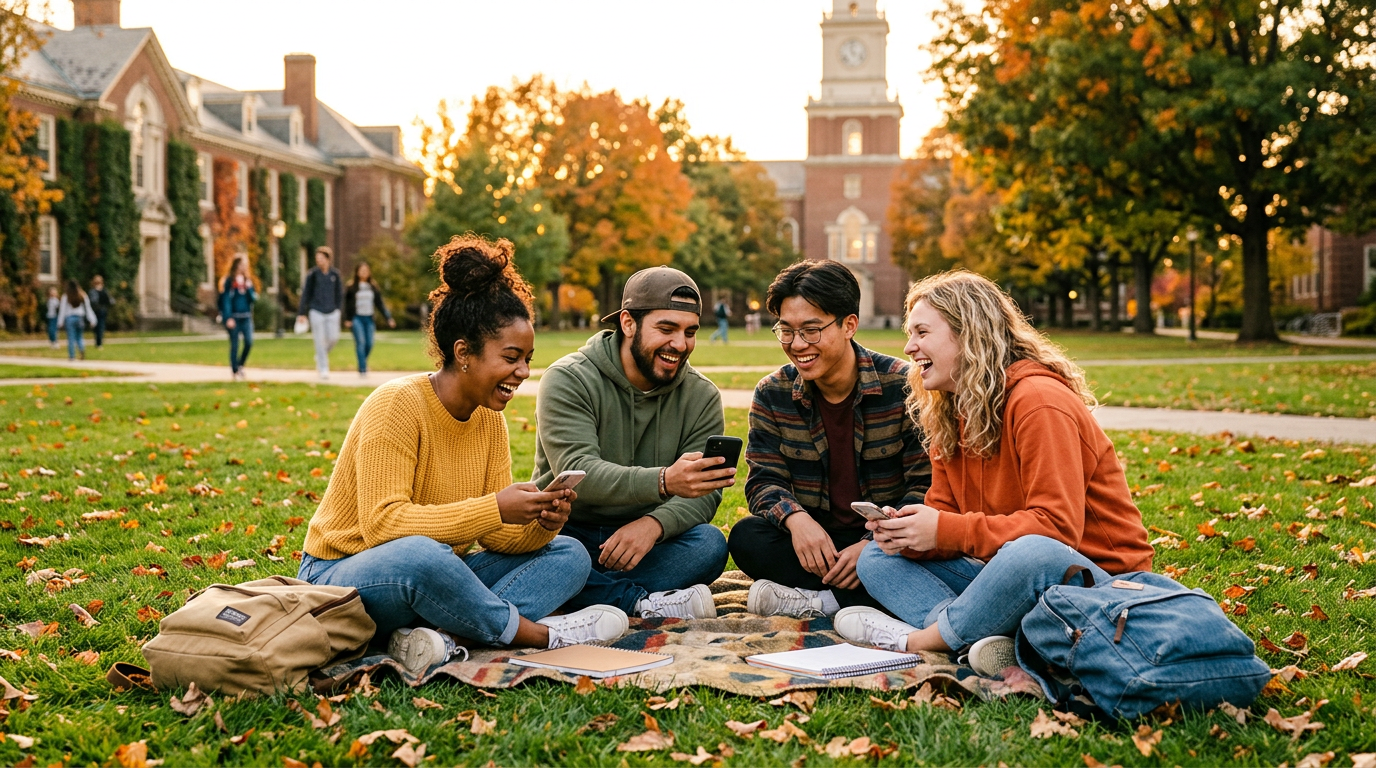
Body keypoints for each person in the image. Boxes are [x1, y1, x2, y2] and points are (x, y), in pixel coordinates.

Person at [298, 234, 627, 675]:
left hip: (435, 577)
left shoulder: (490, 418)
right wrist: (495, 506)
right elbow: (383, 526)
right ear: (463, 353)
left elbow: (498, 537)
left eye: (528, 359)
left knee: (569, 554)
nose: (523, 373)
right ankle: (544, 635)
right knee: (423, 555)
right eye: (511, 357)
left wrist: (541, 523)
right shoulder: (397, 404)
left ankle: (441, 638)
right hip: (341, 578)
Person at [834, 271, 1154, 678]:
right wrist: (909, 535)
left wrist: (944, 532)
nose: (909, 347)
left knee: (1030, 552)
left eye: (921, 332)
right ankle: (980, 637)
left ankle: (922, 640)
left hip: (1096, 581)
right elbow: (946, 517)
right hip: (1001, 569)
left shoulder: (1039, 402)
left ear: (967, 334)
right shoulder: (951, 411)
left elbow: (1056, 532)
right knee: (877, 556)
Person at [532, 266, 735, 621]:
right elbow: (580, 473)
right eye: (666, 329)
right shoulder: (569, 379)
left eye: (690, 332)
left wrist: (654, 526)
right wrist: (664, 481)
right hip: (567, 529)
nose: (680, 344)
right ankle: (635, 602)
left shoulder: (701, 395)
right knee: (556, 554)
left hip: (645, 540)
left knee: (709, 545)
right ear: (628, 323)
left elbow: (703, 493)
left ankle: (576, 594)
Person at [730, 261, 930, 619]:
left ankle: (824, 602)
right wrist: (796, 521)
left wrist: (872, 547)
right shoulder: (772, 392)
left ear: (849, 324)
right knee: (748, 537)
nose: (796, 344)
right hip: (816, 543)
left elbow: (925, 486)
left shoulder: (903, 386)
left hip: (887, 543)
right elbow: (764, 479)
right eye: (786, 331)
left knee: (918, 558)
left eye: (811, 330)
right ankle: (858, 599)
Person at [343, 261, 396, 377]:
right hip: (357, 318)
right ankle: (362, 369)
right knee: (360, 342)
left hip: (369, 318)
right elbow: (346, 304)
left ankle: (363, 362)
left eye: (366, 270)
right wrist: (347, 319)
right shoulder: (351, 287)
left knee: (369, 343)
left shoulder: (373, 287)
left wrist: (388, 318)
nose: (364, 272)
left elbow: (380, 304)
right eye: (361, 270)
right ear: (357, 272)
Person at [298, 247, 343, 380]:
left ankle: (320, 355)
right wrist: (301, 313)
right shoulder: (312, 275)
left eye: (322, 259)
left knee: (333, 338)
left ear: (328, 259)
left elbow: (339, 294)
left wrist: (338, 310)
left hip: (332, 311)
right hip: (316, 311)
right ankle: (323, 368)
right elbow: (305, 294)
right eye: (317, 259)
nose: (319, 261)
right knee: (319, 340)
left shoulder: (335, 275)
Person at [219, 257, 256, 381]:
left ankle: (240, 365)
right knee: (235, 344)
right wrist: (228, 317)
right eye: (241, 265)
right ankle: (235, 370)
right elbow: (226, 300)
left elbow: (253, 299)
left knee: (249, 341)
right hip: (234, 317)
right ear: (236, 266)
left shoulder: (247, 281)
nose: (243, 267)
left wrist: (249, 288)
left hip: (246, 317)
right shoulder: (229, 282)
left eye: (245, 265)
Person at [56, 279, 95, 360]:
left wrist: (60, 322)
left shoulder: (66, 296)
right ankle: (81, 350)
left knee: (71, 338)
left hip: (69, 318)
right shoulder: (82, 295)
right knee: (80, 337)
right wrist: (92, 319)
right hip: (80, 318)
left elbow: (62, 310)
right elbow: (88, 308)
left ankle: (72, 356)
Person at [89, 276, 113, 348]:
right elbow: (92, 301)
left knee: (101, 326)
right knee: (97, 327)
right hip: (96, 310)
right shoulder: (93, 291)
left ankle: (99, 342)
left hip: (102, 310)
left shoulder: (104, 291)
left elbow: (110, 300)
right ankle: (98, 342)